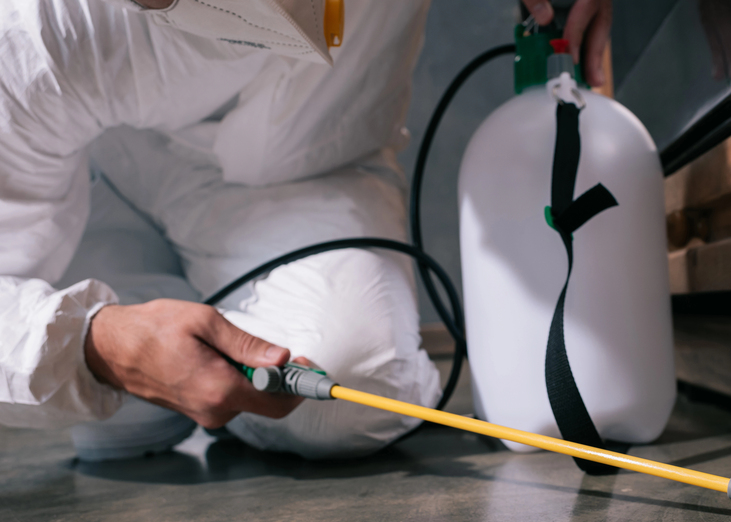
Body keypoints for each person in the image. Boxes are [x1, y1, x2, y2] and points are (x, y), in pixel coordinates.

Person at [0, 0, 612, 461]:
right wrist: (97, 344)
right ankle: (153, 336)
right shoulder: (32, 31)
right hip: (86, 183)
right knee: (120, 424)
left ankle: (197, 344)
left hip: (305, 171)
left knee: (344, 394)